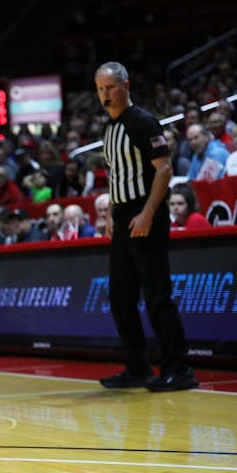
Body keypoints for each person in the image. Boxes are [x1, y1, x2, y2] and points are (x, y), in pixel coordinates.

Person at [95, 61, 197, 391]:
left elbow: (164, 169)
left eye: (110, 87)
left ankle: (179, 369)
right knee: (120, 298)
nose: (105, 94)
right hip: (124, 216)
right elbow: (116, 176)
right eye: (100, 89)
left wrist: (148, 213)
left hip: (146, 214)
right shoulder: (108, 129)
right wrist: (111, 213)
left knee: (157, 296)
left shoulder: (142, 121)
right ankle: (137, 368)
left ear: (125, 86)